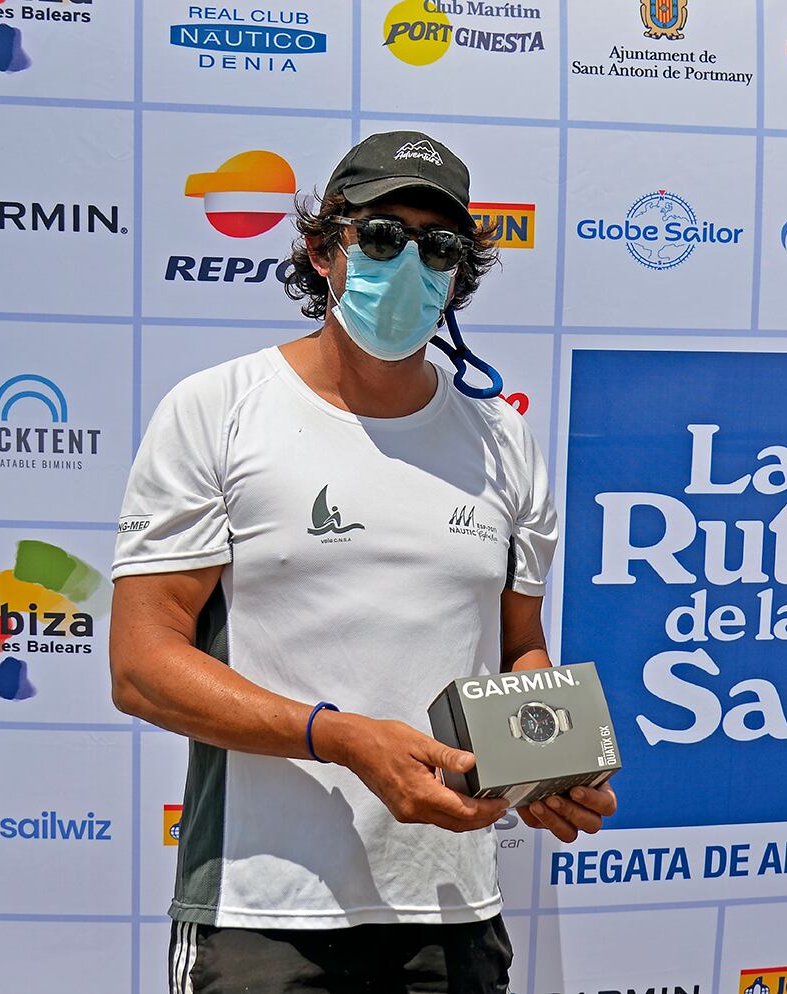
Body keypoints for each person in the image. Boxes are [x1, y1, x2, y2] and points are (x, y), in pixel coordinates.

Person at [110, 130, 616, 993]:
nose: (410, 264)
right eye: (383, 235)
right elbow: (141, 667)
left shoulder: (503, 441)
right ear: (323, 246)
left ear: (461, 272)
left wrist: (551, 767)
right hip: (263, 913)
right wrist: (339, 738)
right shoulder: (218, 410)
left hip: (454, 913)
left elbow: (520, 650)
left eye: (439, 246)